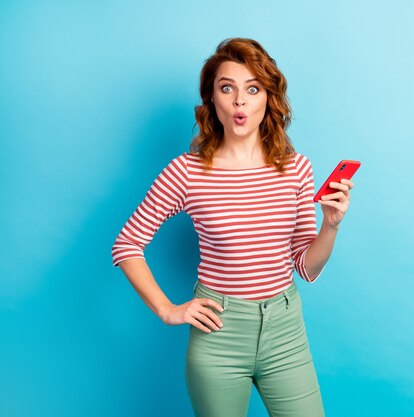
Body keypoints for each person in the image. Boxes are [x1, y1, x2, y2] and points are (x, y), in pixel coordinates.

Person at [111, 38, 354, 417]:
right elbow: (126, 245)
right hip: (219, 334)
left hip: (285, 332)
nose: (240, 101)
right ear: (212, 100)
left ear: (268, 98)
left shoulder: (296, 169)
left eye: (252, 88)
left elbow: (305, 267)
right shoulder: (186, 173)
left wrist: (331, 227)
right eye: (228, 88)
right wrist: (167, 309)